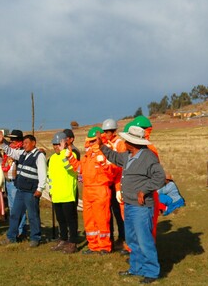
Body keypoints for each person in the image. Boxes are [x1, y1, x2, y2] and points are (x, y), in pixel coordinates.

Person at [101, 126, 166, 284]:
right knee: (132, 240)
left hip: (141, 207)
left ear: (133, 142)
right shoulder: (129, 155)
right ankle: (136, 268)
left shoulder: (148, 157)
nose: (124, 142)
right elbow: (114, 156)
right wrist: (101, 146)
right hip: (129, 204)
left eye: (127, 140)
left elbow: (160, 177)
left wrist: (144, 190)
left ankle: (151, 271)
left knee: (144, 240)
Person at [66, 127, 116, 254]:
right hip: (87, 191)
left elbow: (112, 173)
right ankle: (93, 245)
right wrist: (70, 158)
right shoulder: (88, 155)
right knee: (89, 220)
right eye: (90, 141)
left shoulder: (106, 153)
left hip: (100, 190)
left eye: (93, 141)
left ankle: (104, 246)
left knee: (102, 219)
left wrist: (104, 165)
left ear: (99, 139)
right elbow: (80, 169)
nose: (90, 143)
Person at [0, 131, 47, 248]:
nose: (24, 145)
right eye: (23, 143)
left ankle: (35, 238)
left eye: (26, 143)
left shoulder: (39, 156)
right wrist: (1, 144)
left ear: (33, 143)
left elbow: (42, 174)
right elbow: (10, 151)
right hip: (20, 190)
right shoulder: (23, 153)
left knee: (33, 215)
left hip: (31, 191)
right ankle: (11, 237)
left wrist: (40, 189)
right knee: (15, 214)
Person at [0, 121, 28, 239]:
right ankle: (15, 230)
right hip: (9, 181)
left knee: (18, 207)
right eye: (10, 139)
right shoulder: (10, 147)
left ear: (19, 140)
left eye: (13, 139)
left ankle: (21, 231)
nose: (11, 141)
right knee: (12, 207)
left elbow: (3, 144)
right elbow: (0, 140)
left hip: (17, 181)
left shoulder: (21, 151)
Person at [48, 132, 79, 254]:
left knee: (71, 220)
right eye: (54, 144)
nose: (55, 147)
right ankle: (63, 239)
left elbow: (71, 168)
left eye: (58, 144)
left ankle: (73, 242)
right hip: (56, 194)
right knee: (60, 219)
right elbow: (49, 175)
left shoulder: (70, 155)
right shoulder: (52, 158)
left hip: (67, 194)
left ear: (64, 143)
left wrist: (63, 154)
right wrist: (50, 190)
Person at [102, 118, 127, 248]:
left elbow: (122, 162)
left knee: (119, 211)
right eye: (105, 131)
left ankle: (123, 237)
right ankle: (110, 237)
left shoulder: (119, 144)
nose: (106, 134)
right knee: (109, 212)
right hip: (108, 182)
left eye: (108, 131)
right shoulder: (105, 144)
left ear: (114, 131)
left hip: (118, 181)